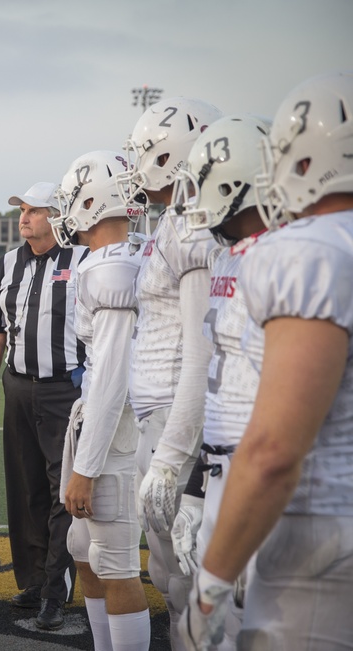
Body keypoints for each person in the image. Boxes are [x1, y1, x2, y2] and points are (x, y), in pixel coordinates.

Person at [181, 71, 353, 650]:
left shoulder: (309, 251)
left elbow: (276, 450)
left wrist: (209, 583)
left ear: (308, 160)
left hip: (320, 532)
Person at [117, 96, 223, 647]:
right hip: (154, 411)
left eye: (147, 153)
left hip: (174, 420)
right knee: (166, 571)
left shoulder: (195, 228)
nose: (137, 166)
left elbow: (201, 351)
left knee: (187, 573)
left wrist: (175, 452)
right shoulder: (173, 220)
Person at [166, 114, 271, 650]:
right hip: (222, 468)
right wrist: (197, 485)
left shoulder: (283, 262)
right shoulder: (229, 254)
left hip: (265, 484)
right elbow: (222, 388)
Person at [0, 181, 87, 630]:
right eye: (21, 210)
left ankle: (55, 591)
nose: (24, 217)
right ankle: (34, 580)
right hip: (18, 387)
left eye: (34, 210)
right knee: (26, 489)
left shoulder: (84, 260)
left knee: (64, 491)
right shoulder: (6, 264)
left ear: (57, 216)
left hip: (67, 388)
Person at [52, 151, 150, 650]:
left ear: (90, 202)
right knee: (82, 548)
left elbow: (112, 377)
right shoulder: (104, 260)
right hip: (97, 418)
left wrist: (86, 468)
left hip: (117, 428)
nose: (64, 211)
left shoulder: (114, 269)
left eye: (70, 201)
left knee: (115, 562)